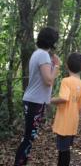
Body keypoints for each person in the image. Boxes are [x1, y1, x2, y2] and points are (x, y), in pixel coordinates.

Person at [14, 27, 60, 166]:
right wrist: (57, 66)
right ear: (51, 41)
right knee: (29, 138)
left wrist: (52, 65)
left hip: (34, 100)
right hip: (34, 101)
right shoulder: (43, 55)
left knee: (29, 137)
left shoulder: (38, 54)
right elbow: (48, 81)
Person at [51, 52, 81, 166]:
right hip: (73, 121)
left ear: (67, 65)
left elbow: (63, 98)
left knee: (63, 151)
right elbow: (79, 107)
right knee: (66, 150)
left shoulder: (66, 81)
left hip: (64, 122)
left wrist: (49, 100)